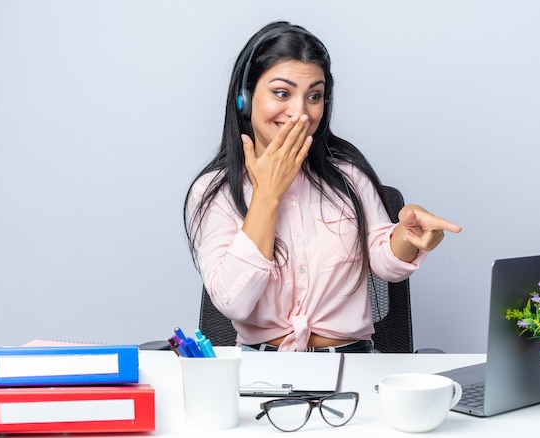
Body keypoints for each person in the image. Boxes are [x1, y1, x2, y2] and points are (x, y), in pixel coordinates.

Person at [184, 20, 461, 353]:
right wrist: (267, 195)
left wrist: (407, 234)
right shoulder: (214, 191)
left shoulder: (348, 175)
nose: (301, 113)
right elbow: (233, 302)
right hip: (262, 372)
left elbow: (385, 261)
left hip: (352, 362)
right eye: (282, 93)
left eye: (314, 96)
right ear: (245, 98)